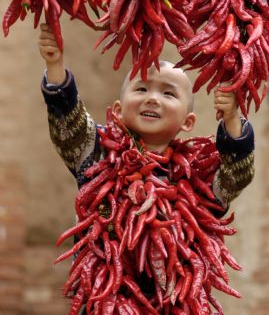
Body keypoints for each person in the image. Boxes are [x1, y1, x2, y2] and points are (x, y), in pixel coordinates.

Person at [38, 22, 255, 310]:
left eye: (168, 94)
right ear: (118, 109)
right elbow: (69, 125)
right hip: (109, 302)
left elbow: (235, 175)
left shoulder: (196, 179)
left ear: (188, 123)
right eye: (141, 88)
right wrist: (55, 66)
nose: (153, 98)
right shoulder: (99, 155)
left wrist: (231, 120)